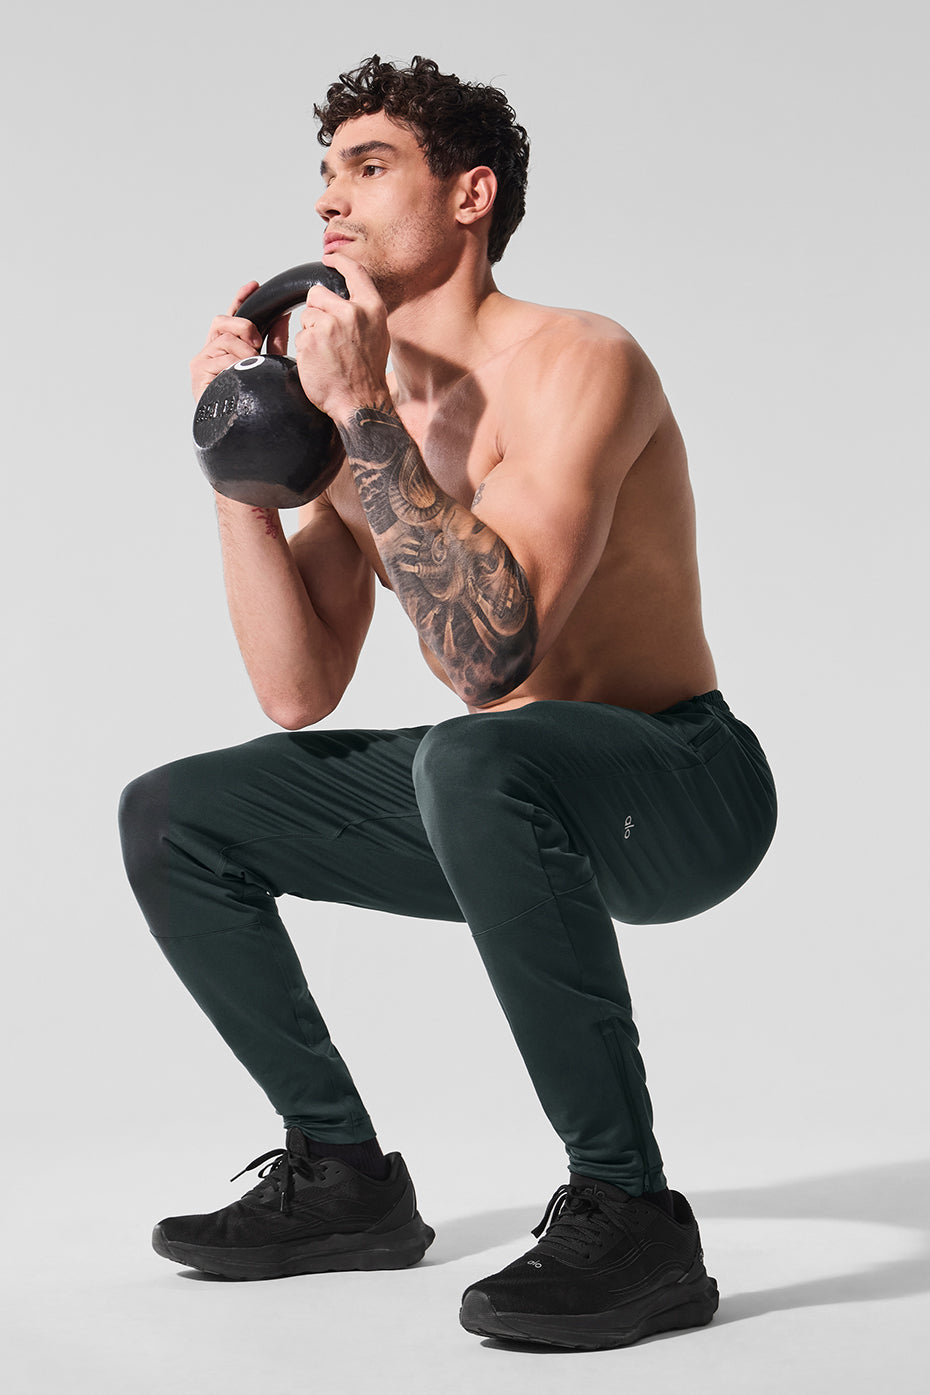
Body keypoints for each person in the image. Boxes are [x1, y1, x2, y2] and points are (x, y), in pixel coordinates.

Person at [119, 54, 777, 1350]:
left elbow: (493, 661)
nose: (330, 200)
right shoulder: (360, 415)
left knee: (475, 753)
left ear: (470, 195)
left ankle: (633, 1213)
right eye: (324, 174)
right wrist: (239, 460)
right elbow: (297, 688)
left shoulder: (576, 359)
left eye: (369, 167)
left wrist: (361, 412)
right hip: (498, 797)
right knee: (178, 814)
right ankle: (340, 1177)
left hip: (679, 785)